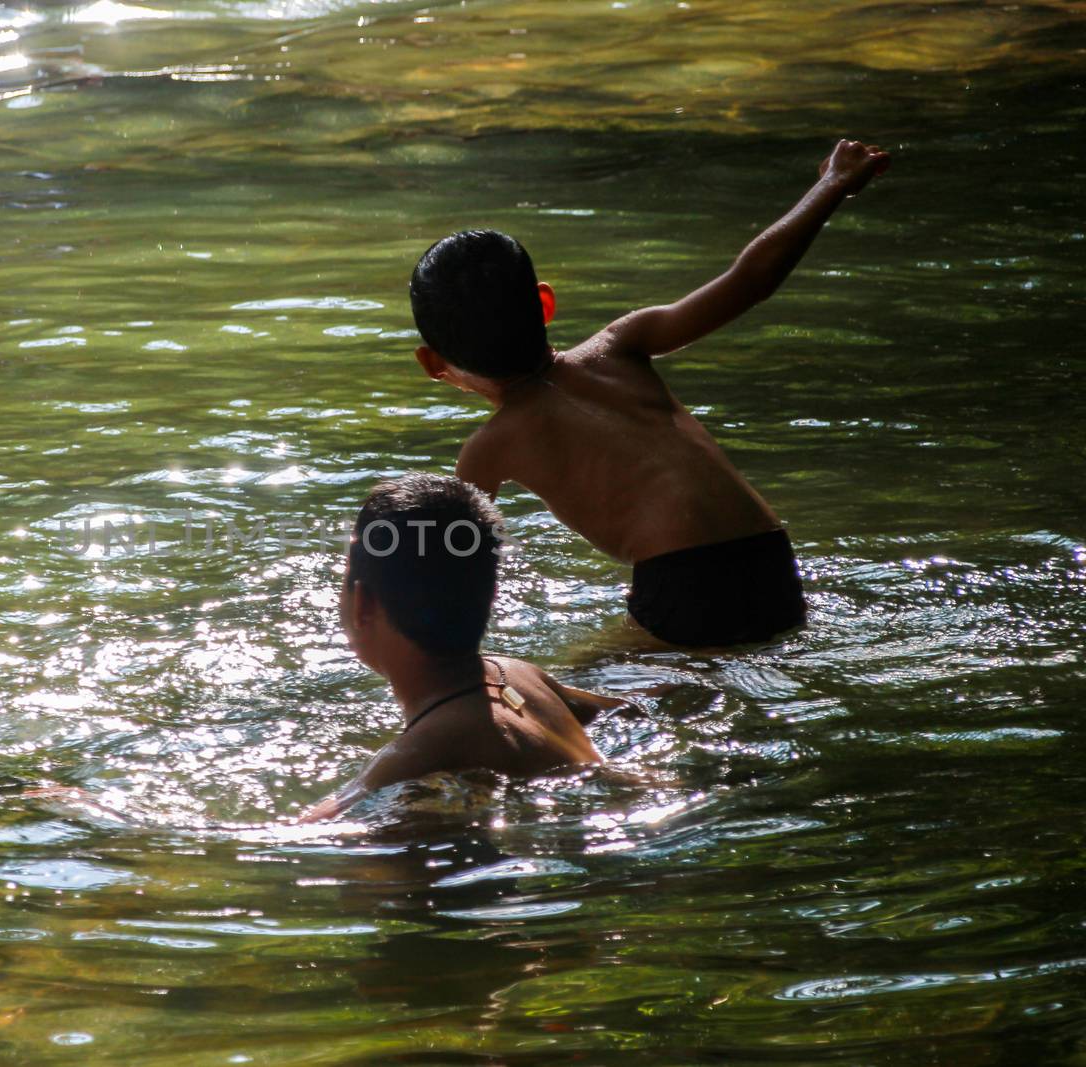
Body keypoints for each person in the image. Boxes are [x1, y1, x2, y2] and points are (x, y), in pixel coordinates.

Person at [409, 139, 892, 647]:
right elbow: (752, 280)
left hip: (684, 580)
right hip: (773, 559)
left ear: (432, 363)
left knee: (561, 700)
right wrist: (832, 184)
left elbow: (450, 568)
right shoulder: (623, 343)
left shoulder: (489, 447)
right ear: (544, 303)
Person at [300, 472, 632, 822]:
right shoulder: (519, 676)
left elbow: (305, 836)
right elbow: (622, 711)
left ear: (363, 604)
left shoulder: (416, 756)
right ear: (490, 592)